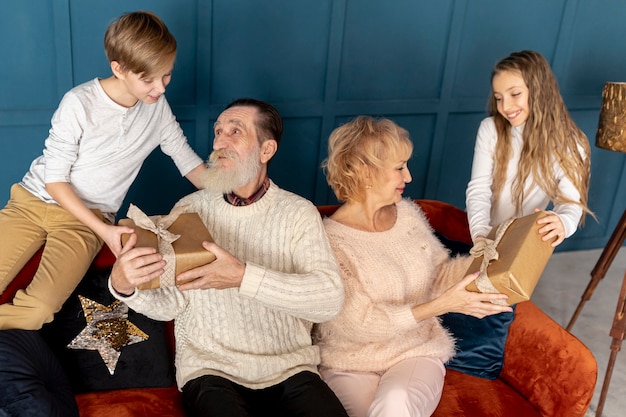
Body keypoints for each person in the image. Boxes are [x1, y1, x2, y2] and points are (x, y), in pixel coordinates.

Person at [108, 98, 349, 417]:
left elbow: (328, 299)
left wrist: (242, 277)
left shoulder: (297, 213)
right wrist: (124, 286)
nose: (220, 141)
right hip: (211, 372)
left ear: (267, 150)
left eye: (235, 132)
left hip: (290, 369)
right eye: (218, 131)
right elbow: (171, 304)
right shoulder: (190, 208)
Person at [0, 10, 206, 330]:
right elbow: (54, 181)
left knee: (37, 311)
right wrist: (106, 234)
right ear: (119, 68)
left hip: (89, 220)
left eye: (167, 75)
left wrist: (236, 187)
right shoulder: (79, 103)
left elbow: (189, 163)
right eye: (148, 79)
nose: (161, 88)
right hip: (32, 201)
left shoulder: (157, 110)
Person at [312, 116, 512, 417]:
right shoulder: (329, 240)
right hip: (347, 361)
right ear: (367, 172)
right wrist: (442, 305)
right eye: (399, 167)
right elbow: (355, 324)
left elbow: (440, 274)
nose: (409, 176)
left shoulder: (407, 215)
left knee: (395, 406)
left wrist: (490, 255)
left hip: (415, 351)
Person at [466, 50, 592, 248]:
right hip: (483, 235)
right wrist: (481, 234)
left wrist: (563, 223)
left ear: (539, 90)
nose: (506, 106)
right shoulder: (490, 129)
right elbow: (479, 189)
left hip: (523, 243)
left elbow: (570, 202)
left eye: (515, 94)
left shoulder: (571, 143)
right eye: (499, 98)